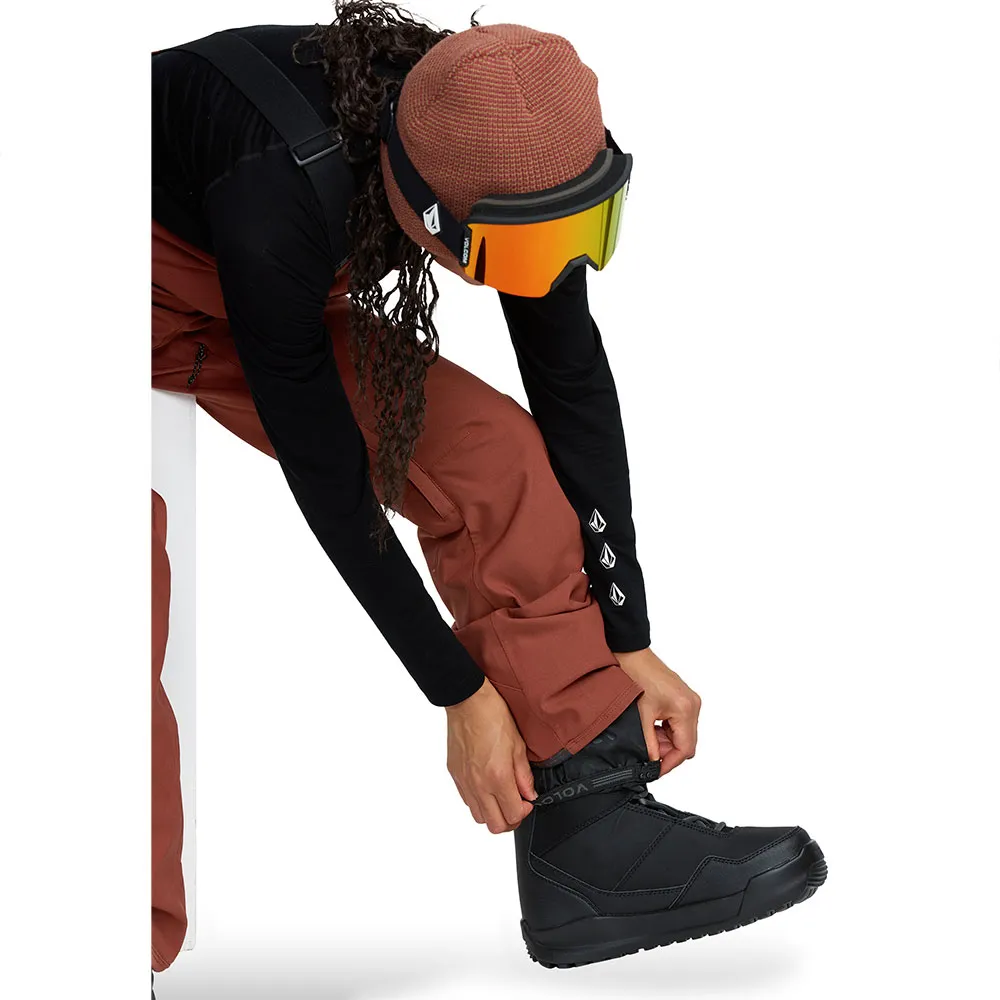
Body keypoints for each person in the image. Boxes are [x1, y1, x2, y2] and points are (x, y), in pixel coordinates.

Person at [151, 1, 826, 988]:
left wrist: (628, 634)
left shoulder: (504, 139)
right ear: (424, 210)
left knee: (495, 458)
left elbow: (569, 382)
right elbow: (330, 476)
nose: (546, 272)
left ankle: (590, 841)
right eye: (516, 256)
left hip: (271, 286)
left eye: (582, 229)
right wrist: (458, 692)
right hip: (124, 277)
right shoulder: (279, 190)